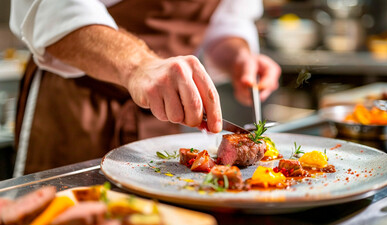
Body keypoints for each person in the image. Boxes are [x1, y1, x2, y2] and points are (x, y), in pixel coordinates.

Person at [10, 0, 281, 175]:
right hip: (75, 111)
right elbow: (48, 9)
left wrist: (237, 56)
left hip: (161, 116)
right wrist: (138, 65)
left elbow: (227, 21)